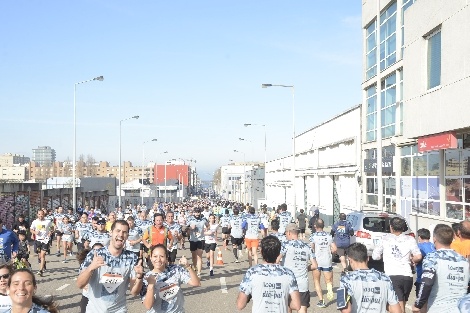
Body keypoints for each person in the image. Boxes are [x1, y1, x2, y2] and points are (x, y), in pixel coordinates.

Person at [77, 220, 144, 313]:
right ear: (111, 233)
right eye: (118, 231)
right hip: (94, 310)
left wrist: (139, 278)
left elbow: (134, 292)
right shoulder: (95, 254)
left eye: (124, 232)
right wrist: (91, 268)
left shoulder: (132, 258)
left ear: (127, 236)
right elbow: (80, 284)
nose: (121, 234)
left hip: (119, 310)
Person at [412, 224, 470, 313]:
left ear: (434, 238)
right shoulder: (463, 260)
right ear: (452, 239)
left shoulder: (432, 258)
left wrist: (418, 304)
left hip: (438, 308)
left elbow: (427, 282)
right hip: (460, 309)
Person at [237, 235, 301, 312]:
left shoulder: (252, 272)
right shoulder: (288, 274)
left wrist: (249, 296)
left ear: (261, 252)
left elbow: (240, 305)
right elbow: (296, 305)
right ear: (278, 253)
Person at [372, 217, 422, 313]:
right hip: (407, 277)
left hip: (392, 275)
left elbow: (375, 256)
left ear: (391, 227)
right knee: (400, 305)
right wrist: (412, 259)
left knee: (398, 309)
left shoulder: (385, 238)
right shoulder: (410, 239)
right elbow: (418, 256)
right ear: (403, 228)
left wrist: (384, 256)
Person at [338, 243, 401, 313]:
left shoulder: (346, 279)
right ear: (367, 258)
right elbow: (397, 310)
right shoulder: (384, 278)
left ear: (350, 260)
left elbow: (346, 310)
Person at [140, 244, 200, 313]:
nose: (158, 259)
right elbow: (148, 306)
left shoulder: (175, 270)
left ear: (166, 258)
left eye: (162, 256)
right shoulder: (146, 278)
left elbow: (196, 283)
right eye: (155, 256)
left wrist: (188, 266)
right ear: (150, 257)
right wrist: (150, 286)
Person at [278, 223, 317, 313]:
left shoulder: (285, 245)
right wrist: (305, 268)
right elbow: (315, 265)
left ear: (288, 233)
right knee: (302, 308)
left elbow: (276, 261)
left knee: (287, 306)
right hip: (302, 283)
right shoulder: (307, 246)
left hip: (287, 282)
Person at [309, 218, 336, 308]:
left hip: (317, 261)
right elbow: (334, 248)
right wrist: (330, 252)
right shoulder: (328, 235)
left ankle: (321, 300)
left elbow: (311, 248)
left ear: (315, 226)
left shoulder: (313, 236)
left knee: (317, 281)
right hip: (327, 260)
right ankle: (329, 289)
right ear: (323, 226)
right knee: (328, 280)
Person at [414, 228, 436, 312]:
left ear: (419, 237)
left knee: (422, 305)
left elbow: (415, 260)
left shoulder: (419, 247)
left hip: (422, 279)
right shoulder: (434, 246)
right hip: (434, 279)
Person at [30, 210, 54, 277]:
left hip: (45, 240)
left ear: (44, 215)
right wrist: (35, 233)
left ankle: (40, 270)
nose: (41, 215)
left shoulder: (48, 221)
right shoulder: (35, 222)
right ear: (37, 215)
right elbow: (31, 229)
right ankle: (44, 263)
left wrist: (50, 232)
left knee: (43, 255)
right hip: (38, 240)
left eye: (42, 214)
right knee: (40, 256)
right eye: (39, 214)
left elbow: (53, 227)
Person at [186, 208, 208, 277]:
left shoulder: (203, 219)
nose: (197, 214)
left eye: (198, 212)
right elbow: (184, 228)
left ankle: (199, 273)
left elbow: (208, 225)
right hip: (193, 239)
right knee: (194, 256)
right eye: (196, 212)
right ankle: (195, 267)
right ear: (194, 213)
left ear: (200, 213)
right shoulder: (190, 219)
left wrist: (206, 229)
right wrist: (190, 228)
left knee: (199, 256)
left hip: (201, 239)